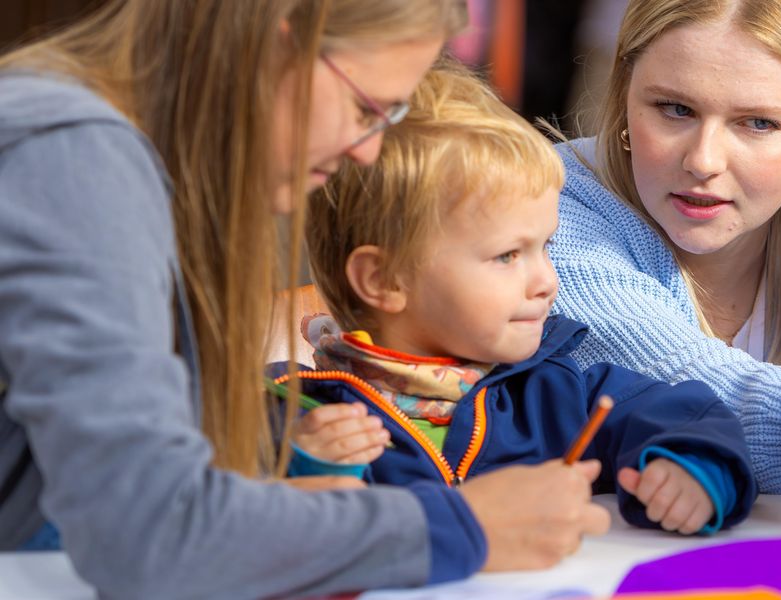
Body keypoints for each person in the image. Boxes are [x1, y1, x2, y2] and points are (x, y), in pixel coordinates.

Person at [0, 1, 609, 598]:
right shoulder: (72, 158)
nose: (367, 150)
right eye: (365, 108)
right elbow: (152, 531)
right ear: (278, 43)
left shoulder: (105, 155)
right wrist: (463, 526)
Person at [281, 62, 758, 535]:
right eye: (508, 256)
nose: (546, 281)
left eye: (543, 247)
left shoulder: (557, 393)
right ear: (384, 279)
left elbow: (690, 416)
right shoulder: (292, 414)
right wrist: (305, 473)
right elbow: (238, 545)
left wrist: (692, 471)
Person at [548, 0, 781, 494]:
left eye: (758, 123)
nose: (704, 161)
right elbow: (697, 403)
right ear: (623, 94)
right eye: (675, 109)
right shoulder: (542, 207)